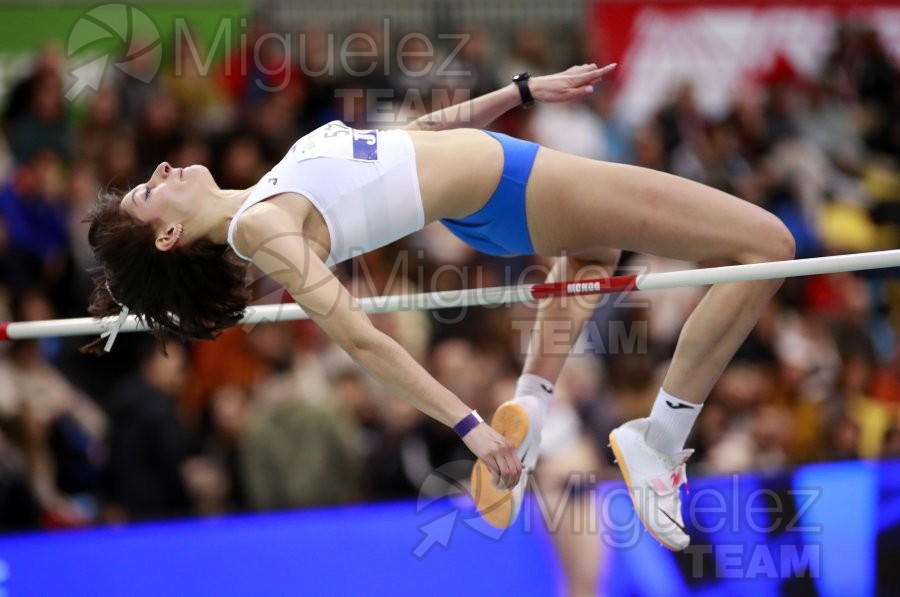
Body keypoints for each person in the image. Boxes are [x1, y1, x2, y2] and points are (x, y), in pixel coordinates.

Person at [84, 63, 795, 551]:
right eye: (152, 192)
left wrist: (518, 89)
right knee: (768, 242)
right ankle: (660, 441)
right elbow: (361, 340)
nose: (163, 170)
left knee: (594, 260)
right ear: (172, 235)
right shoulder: (262, 228)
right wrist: (468, 424)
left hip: (491, 190)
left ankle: (535, 406)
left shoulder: (268, 188)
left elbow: (413, 141)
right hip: (516, 186)